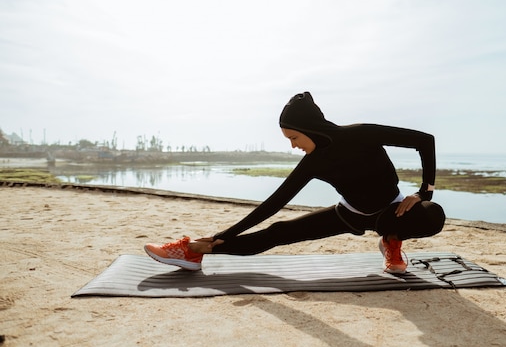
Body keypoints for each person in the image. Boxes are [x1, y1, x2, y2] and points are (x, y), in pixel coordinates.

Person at [145, 91, 445, 274]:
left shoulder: (362, 133)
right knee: (278, 232)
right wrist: (222, 234)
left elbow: (424, 141)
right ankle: (195, 251)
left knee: (432, 214)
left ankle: (392, 240)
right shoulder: (313, 162)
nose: (293, 146)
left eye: (294, 138)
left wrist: (422, 192)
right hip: (348, 213)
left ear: (309, 129)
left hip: (392, 211)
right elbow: (274, 204)